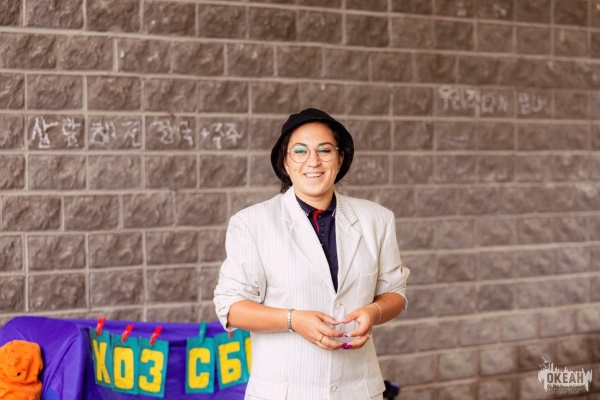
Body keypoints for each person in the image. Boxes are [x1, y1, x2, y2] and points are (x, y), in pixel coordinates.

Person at [214, 108, 410, 400]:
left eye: (325, 150)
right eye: (300, 151)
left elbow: (395, 294)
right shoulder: (253, 223)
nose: (313, 161)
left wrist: (373, 312)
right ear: (285, 161)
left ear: (340, 158)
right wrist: (293, 320)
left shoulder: (377, 219)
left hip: (358, 391)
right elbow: (231, 308)